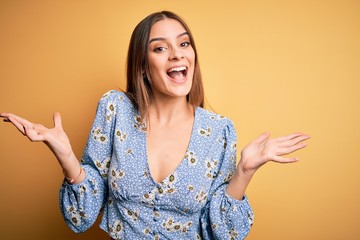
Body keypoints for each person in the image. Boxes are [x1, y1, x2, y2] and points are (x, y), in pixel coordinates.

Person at [0, 11, 309, 240]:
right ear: (143, 66)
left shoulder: (219, 131)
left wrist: (244, 172)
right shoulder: (115, 108)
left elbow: (224, 233)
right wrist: (66, 156)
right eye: (160, 48)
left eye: (184, 44)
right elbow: (82, 217)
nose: (177, 53)